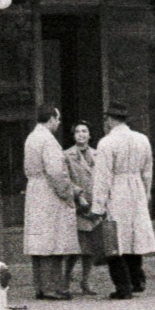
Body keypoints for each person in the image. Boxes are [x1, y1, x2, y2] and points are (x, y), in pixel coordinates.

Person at [90, 100, 155, 299]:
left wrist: (98, 205)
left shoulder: (106, 143)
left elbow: (102, 177)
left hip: (117, 191)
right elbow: (148, 171)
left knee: (114, 240)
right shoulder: (142, 139)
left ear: (109, 120)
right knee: (134, 236)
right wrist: (146, 194)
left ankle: (123, 286)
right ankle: (136, 279)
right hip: (136, 188)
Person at [23, 104, 79, 300]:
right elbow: (56, 172)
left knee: (39, 241)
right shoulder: (48, 141)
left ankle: (40, 286)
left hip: (35, 190)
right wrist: (67, 194)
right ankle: (52, 288)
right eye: (58, 119)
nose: (59, 122)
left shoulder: (32, 137)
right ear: (51, 119)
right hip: (48, 192)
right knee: (53, 241)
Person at [62, 121, 100, 295]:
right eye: (77, 131)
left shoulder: (98, 154)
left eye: (85, 131)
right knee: (75, 247)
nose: (81, 134)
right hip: (78, 205)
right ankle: (65, 279)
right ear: (73, 135)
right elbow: (65, 179)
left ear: (90, 135)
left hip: (95, 205)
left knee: (91, 248)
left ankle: (86, 281)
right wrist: (79, 197)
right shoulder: (66, 155)